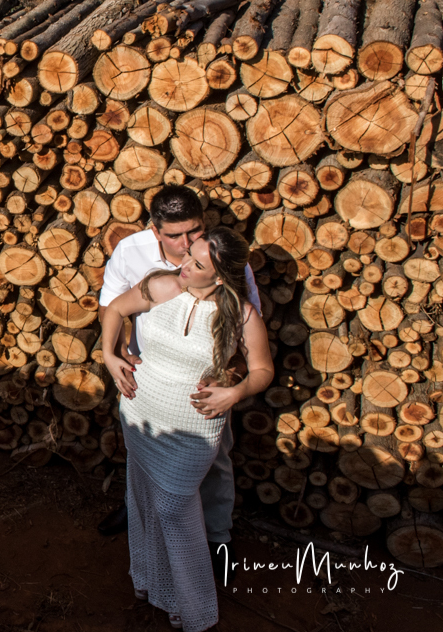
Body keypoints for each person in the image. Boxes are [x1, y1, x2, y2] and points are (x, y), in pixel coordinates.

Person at [102, 227, 274, 631]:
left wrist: (235, 393)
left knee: (173, 507)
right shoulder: (161, 286)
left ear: (219, 277)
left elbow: (263, 370)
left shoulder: (241, 315)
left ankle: (193, 609)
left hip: (194, 426)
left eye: (197, 264)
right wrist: (110, 355)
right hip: (141, 411)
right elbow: (113, 310)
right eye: (188, 255)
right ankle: (150, 581)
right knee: (142, 494)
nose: (183, 264)